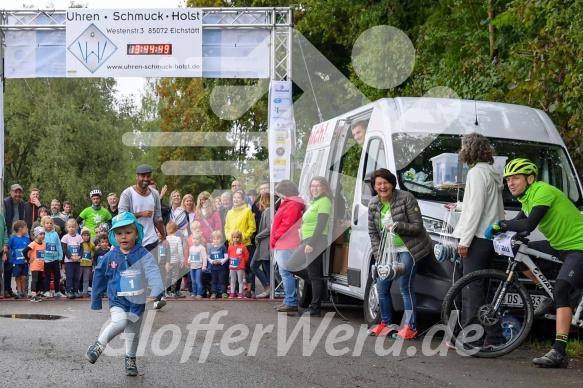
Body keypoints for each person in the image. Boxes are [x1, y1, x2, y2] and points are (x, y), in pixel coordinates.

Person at [485, 158, 583, 368]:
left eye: (516, 178)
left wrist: (500, 224)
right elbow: (519, 227)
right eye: (508, 179)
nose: (510, 183)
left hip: (579, 246)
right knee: (516, 250)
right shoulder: (527, 198)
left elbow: (528, 225)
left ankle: (559, 352)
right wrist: (502, 234)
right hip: (559, 245)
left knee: (561, 289)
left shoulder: (542, 191)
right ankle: (548, 294)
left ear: (530, 179)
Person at [85, 212, 164, 376]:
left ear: (137, 233)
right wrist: (96, 300)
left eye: (128, 232)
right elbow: (99, 275)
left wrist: (157, 289)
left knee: (133, 334)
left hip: (137, 302)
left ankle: (130, 359)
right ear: (114, 235)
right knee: (120, 323)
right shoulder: (110, 256)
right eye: (119, 233)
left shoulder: (143, 254)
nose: (124, 237)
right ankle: (98, 345)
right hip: (117, 301)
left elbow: (153, 272)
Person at [450, 133, 505, 346]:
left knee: (471, 290)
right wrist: (458, 206)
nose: (460, 151)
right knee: (483, 289)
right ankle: (494, 336)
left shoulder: (475, 174)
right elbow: (482, 204)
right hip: (491, 238)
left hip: (478, 238)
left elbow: (476, 209)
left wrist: (465, 240)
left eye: (463, 147)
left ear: (469, 149)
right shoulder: (491, 173)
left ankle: (473, 338)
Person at [366, 168, 433, 339]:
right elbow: (373, 233)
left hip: (408, 249)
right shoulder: (373, 204)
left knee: (405, 286)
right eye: (378, 184)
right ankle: (386, 324)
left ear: (392, 184)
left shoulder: (406, 198)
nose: (382, 186)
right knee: (381, 287)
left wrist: (398, 225)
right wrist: (378, 254)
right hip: (387, 251)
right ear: (374, 186)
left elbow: (418, 226)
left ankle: (411, 327)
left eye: (385, 183)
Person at [118, 164, 168, 310]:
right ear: (137, 177)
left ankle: (158, 298)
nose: (146, 179)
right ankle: (130, 300)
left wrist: (164, 237)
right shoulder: (127, 194)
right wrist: (140, 214)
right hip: (133, 240)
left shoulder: (154, 195)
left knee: (155, 269)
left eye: (148, 176)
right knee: (134, 272)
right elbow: (122, 217)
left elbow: (157, 218)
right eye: (143, 176)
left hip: (151, 238)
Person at [287, 176, 333, 316]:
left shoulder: (324, 201)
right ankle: (319, 287)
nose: (314, 188)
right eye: (312, 186)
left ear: (324, 188)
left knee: (312, 274)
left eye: (318, 186)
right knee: (292, 266)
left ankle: (315, 308)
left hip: (316, 241)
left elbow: (321, 224)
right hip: (307, 240)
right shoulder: (314, 202)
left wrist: (311, 243)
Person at [271, 180, 305, 312]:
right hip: (285, 242)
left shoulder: (291, 205)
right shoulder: (293, 203)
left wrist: (275, 236)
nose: (280, 196)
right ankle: (288, 299)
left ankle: (290, 300)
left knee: (285, 272)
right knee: (285, 272)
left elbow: (286, 225)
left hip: (286, 242)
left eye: (281, 193)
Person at [224, 190, 256, 298]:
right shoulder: (229, 213)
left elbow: (252, 227)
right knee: (234, 267)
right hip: (232, 244)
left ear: (243, 200)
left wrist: (244, 237)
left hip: (244, 244)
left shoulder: (247, 211)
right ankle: (235, 290)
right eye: (234, 198)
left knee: (246, 268)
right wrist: (229, 237)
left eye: (238, 198)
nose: (236, 200)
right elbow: (227, 227)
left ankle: (249, 290)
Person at [253, 192, 275, 298]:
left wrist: (258, 236)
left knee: (254, 265)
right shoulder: (270, 210)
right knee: (267, 267)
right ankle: (269, 287)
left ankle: (267, 286)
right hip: (267, 244)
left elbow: (269, 228)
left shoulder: (267, 211)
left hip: (265, 244)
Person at [41, 216, 64, 299]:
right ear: (43, 224)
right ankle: (47, 291)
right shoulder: (42, 234)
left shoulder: (55, 234)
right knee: (47, 275)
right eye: (47, 223)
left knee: (57, 275)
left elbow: (58, 245)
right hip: (46, 258)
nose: (49, 225)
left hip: (55, 258)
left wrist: (60, 256)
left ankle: (57, 291)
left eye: (51, 223)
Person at [61, 219, 83, 299]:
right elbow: (64, 249)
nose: (71, 228)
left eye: (73, 227)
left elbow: (82, 248)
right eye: (69, 227)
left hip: (77, 261)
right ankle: (69, 290)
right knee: (69, 276)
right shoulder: (65, 237)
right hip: (69, 261)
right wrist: (71, 257)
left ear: (76, 227)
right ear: (67, 228)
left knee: (76, 276)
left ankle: (76, 290)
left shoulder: (79, 237)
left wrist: (79, 256)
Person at [22, 226, 46, 302]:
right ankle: (33, 294)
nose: (42, 236)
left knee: (40, 279)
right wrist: (28, 259)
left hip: (41, 265)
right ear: (36, 235)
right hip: (35, 265)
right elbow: (24, 251)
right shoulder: (33, 244)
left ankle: (38, 293)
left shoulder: (44, 244)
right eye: (40, 234)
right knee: (35, 280)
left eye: (43, 234)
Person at [8, 220, 30, 299]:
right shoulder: (12, 238)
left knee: (24, 277)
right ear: (21, 229)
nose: (27, 229)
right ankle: (19, 291)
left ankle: (24, 291)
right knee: (18, 276)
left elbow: (29, 250)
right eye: (26, 228)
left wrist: (28, 258)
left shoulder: (27, 239)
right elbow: (8, 247)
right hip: (16, 261)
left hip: (25, 261)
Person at [185, 230, 208, 299]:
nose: (195, 240)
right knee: (193, 281)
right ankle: (194, 293)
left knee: (198, 281)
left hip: (199, 267)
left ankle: (199, 293)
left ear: (200, 240)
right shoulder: (191, 248)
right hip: (192, 267)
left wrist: (204, 266)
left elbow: (204, 257)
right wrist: (188, 260)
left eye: (197, 239)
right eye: (194, 239)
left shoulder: (202, 248)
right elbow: (190, 255)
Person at [164, 221, 184, 298]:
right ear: (176, 230)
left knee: (167, 276)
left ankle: (167, 291)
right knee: (175, 276)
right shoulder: (178, 239)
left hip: (167, 262)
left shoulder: (165, 239)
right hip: (175, 261)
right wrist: (182, 260)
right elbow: (180, 250)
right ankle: (173, 292)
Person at [228, 230, 249, 298]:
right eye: (234, 237)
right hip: (232, 267)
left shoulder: (243, 247)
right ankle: (232, 292)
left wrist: (242, 262)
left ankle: (240, 293)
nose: (236, 239)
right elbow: (229, 255)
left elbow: (246, 255)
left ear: (240, 238)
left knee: (240, 280)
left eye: (237, 237)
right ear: (232, 238)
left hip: (240, 267)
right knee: (232, 280)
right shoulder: (230, 247)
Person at [209, 230, 228, 299]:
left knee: (222, 280)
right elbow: (208, 257)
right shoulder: (211, 247)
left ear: (221, 239)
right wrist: (212, 261)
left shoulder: (223, 247)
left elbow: (226, 256)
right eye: (214, 239)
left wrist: (221, 261)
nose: (216, 241)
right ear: (212, 239)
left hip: (221, 267)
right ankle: (213, 292)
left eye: (218, 239)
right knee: (214, 280)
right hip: (213, 267)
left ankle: (223, 292)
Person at [80, 227, 96, 298]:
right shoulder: (80, 244)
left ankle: (85, 292)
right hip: (80, 264)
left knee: (86, 279)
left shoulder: (92, 245)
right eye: (84, 235)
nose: (86, 237)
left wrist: (92, 257)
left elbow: (94, 252)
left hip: (88, 264)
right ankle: (77, 291)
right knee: (78, 278)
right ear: (81, 236)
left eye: (87, 235)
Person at [0, 211, 9, 299]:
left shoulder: (1, 217)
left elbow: (5, 233)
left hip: (0, 250)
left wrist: (5, 246)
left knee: (0, 271)